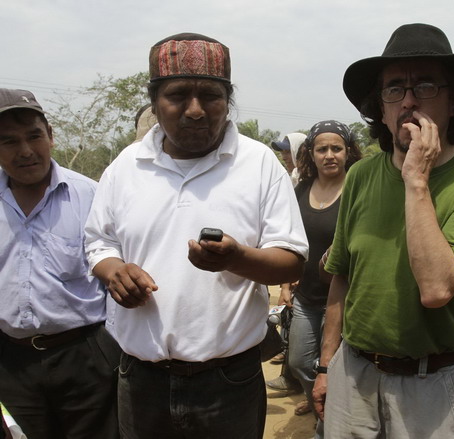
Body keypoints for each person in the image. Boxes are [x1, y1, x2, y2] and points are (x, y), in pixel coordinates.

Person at [84, 33, 309, 438]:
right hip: (139, 378)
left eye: (210, 95)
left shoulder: (258, 163)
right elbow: (99, 242)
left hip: (228, 381)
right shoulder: (126, 165)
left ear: (228, 101)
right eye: (177, 95)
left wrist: (236, 258)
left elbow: (291, 260)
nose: (195, 110)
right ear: (154, 103)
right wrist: (114, 270)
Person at [312, 23, 454, 438]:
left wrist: (416, 180)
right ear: (380, 109)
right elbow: (341, 279)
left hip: (429, 385)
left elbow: (437, 288)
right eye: (394, 89)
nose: (409, 101)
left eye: (426, 86)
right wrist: (327, 365)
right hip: (353, 374)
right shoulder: (363, 174)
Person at [0, 88, 120, 438]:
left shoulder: (91, 196)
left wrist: (107, 352)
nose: (25, 151)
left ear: (50, 136)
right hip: (11, 361)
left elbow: (113, 275)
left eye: (34, 136)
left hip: (85, 358)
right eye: (8, 141)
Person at [282, 120, 361, 434]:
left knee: (338, 367)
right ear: (310, 154)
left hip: (343, 298)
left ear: (347, 152)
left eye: (336, 148)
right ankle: (322, 404)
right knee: (299, 361)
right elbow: (289, 240)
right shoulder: (300, 189)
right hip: (307, 296)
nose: (330, 155)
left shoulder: (357, 188)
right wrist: (286, 287)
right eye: (322, 149)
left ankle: (330, 421)